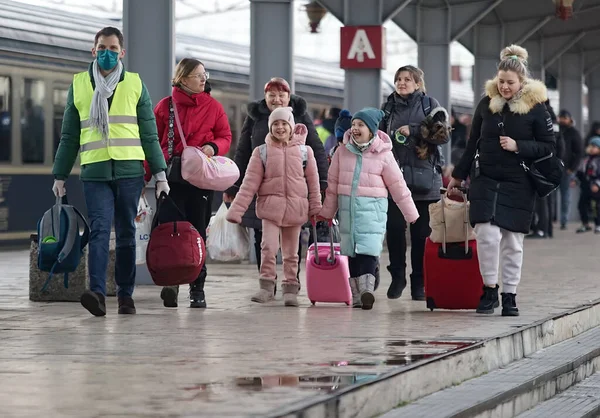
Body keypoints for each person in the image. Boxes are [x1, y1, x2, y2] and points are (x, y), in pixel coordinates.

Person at [52, 26, 169, 316]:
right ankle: (98, 293)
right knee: (100, 231)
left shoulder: (135, 84)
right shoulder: (79, 84)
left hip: (129, 171)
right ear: (93, 50)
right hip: (94, 172)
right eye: (102, 48)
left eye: (113, 49)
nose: (107, 54)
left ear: (122, 52)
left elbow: (149, 135)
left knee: (127, 232)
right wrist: (60, 175)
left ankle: (126, 295)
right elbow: (69, 136)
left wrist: (160, 174)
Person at [448, 44, 555, 316]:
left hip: (519, 182)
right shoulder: (486, 104)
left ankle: (510, 295)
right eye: (501, 81)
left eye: (510, 82)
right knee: (486, 233)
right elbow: (472, 142)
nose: (505, 87)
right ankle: (489, 289)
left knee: (512, 241)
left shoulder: (537, 107)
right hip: (485, 177)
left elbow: (548, 146)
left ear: (522, 82)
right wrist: (458, 175)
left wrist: (519, 145)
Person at [146, 58, 232, 309]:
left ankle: (197, 288)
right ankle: (171, 281)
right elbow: (152, 142)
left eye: (205, 74)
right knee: (170, 229)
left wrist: (214, 147)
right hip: (171, 180)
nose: (204, 79)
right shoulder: (165, 107)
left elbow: (225, 136)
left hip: (201, 180)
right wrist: (145, 176)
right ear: (183, 79)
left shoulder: (214, 107)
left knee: (197, 232)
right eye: (198, 75)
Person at [224, 77, 328, 279]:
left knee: (293, 240)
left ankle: (292, 280)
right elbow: (243, 151)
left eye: (282, 95)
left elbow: (316, 149)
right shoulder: (254, 118)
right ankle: (267, 282)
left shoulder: (300, 116)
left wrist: (323, 182)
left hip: (294, 190)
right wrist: (234, 185)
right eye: (272, 95)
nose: (277, 99)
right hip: (263, 187)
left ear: (289, 97)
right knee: (262, 238)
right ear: (265, 97)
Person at [319, 108, 419, 310]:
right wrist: (326, 213)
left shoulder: (383, 154)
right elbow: (332, 186)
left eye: (361, 125)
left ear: (372, 130)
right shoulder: (342, 151)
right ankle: (357, 296)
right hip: (348, 213)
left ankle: (367, 290)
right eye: (354, 124)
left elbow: (398, 186)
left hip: (372, 212)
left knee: (368, 252)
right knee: (351, 255)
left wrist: (411, 213)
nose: (355, 128)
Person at [226, 107, 322, 306]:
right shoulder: (261, 152)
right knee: (268, 248)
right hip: (270, 209)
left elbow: (314, 183)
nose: (280, 128)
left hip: (296, 210)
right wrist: (236, 210)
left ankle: (290, 288)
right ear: (270, 128)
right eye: (275, 124)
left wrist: (316, 207)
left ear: (291, 127)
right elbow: (249, 184)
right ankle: (266, 286)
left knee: (291, 253)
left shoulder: (305, 152)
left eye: (284, 124)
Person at [379, 65, 450, 301]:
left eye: (407, 79)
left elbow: (443, 135)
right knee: (396, 230)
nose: (401, 83)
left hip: (425, 181)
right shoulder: (388, 107)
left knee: (421, 234)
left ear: (418, 83)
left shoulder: (430, 105)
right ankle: (398, 276)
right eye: (398, 79)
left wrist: (415, 130)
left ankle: (419, 281)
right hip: (395, 180)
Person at [556, 109, 583, 230]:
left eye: (564, 118)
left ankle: (564, 220)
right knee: (550, 196)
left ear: (569, 119)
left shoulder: (574, 133)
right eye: (561, 118)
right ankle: (551, 219)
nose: (562, 120)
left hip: (567, 169)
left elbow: (578, 153)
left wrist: (572, 169)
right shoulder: (556, 131)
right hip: (555, 168)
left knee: (565, 196)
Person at [574, 137, 600, 234]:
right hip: (585, 185)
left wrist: (597, 184)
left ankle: (598, 224)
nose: (592, 148)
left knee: (596, 207)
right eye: (591, 146)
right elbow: (580, 172)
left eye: (595, 147)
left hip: (595, 187)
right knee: (582, 205)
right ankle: (585, 224)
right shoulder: (586, 159)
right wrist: (575, 180)